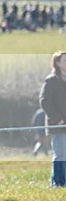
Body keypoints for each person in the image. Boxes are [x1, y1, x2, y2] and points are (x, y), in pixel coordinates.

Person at [39, 51, 66, 187]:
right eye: (65, 60)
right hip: (58, 125)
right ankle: (58, 184)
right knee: (61, 155)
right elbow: (45, 101)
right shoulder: (51, 80)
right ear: (57, 63)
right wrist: (58, 119)